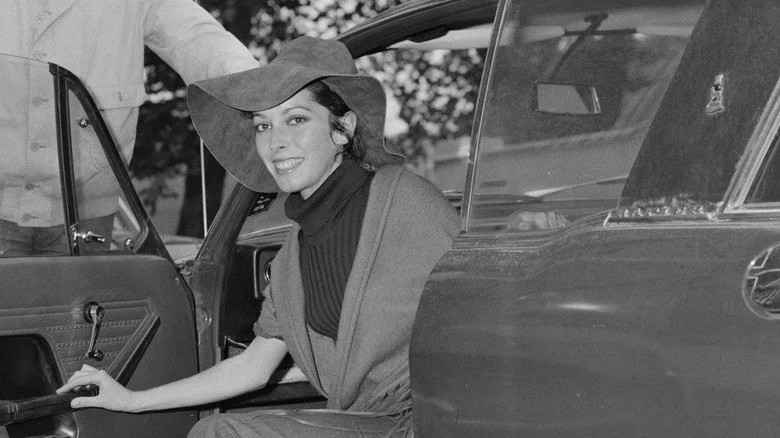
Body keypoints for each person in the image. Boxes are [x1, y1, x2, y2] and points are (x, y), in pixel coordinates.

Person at [57, 36, 459, 436]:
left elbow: (477, 318)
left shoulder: (407, 203)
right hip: (368, 423)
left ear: (343, 129)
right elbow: (253, 367)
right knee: (216, 431)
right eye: (263, 125)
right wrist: (130, 400)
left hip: (442, 415)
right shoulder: (290, 263)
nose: (275, 142)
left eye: (296, 119)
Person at [0, 0, 258, 256]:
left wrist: (259, 93)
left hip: (88, 211)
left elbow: (196, 38)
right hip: (4, 199)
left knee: (85, 286)